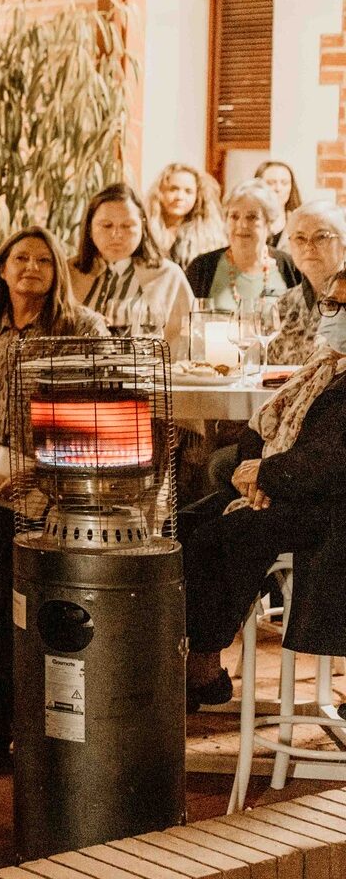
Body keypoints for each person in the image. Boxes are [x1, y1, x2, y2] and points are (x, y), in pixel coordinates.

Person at [0, 228, 107, 775]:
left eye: (42, 259)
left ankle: (3, 734)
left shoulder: (82, 330)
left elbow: (101, 412)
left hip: (56, 492)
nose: (30, 267)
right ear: (2, 269)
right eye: (19, 258)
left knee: (21, 618)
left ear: (57, 270)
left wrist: (35, 468)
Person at [181, 269, 346, 709]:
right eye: (331, 304)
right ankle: (165, 651)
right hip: (290, 487)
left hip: (329, 511)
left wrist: (266, 475)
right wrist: (254, 468)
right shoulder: (324, 363)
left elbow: (328, 465)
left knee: (226, 535)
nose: (335, 315)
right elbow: (264, 422)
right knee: (184, 523)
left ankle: (202, 660)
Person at [68, 183, 196, 347]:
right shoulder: (68, 272)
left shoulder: (169, 275)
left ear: (142, 227)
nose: (116, 234)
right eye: (106, 225)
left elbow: (187, 343)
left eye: (127, 226)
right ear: (89, 228)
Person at [184, 181, 299, 310]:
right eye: (234, 216)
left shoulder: (291, 268)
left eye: (252, 217)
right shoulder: (202, 267)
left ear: (269, 222)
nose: (242, 225)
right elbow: (186, 322)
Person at [275, 202, 346, 366]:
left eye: (321, 237)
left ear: (343, 243)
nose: (309, 246)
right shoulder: (283, 303)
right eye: (300, 238)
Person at [148, 162, 227, 268]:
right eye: (173, 189)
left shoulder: (210, 237)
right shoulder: (146, 230)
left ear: (198, 196)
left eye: (188, 191)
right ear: (160, 192)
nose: (180, 197)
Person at [254, 160, 305, 245]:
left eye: (284, 183)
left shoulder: (300, 224)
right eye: (270, 183)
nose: (278, 188)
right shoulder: (246, 222)